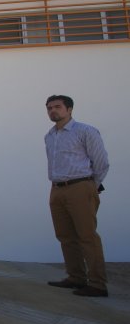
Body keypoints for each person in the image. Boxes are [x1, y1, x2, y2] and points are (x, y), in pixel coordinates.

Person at [44, 95, 110, 297]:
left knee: (87, 235)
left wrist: (91, 185)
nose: (52, 111)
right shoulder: (50, 135)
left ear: (69, 109)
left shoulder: (85, 131)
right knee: (65, 235)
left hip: (80, 186)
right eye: (49, 108)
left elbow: (101, 162)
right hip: (57, 188)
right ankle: (75, 276)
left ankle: (98, 283)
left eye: (57, 107)